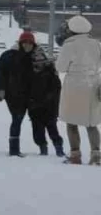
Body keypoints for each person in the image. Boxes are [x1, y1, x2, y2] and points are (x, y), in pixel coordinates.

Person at [0, 32, 63, 156]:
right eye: (25, 42)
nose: (27, 45)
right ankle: (14, 149)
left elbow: (50, 76)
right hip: (15, 95)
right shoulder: (9, 56)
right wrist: (1, 87)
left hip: (34, 98)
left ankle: (47, 149)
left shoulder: (38, 57)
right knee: (17, 119)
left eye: (30, 43)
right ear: (20, 43)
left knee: (42, 123)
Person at [56, 15, 101, 165]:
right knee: (91, 123)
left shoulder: (69, 45)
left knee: (72, 122)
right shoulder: (96, 44)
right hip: (92, 86)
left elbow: (60, 67)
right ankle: (96, 155)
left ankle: (75, 155)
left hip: (74, 88)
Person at [25, 35, 66, 157]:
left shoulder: (50, 71)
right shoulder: (29, 71)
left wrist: (50, 98)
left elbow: (57, 87)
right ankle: (42, 148)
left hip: (49, 105)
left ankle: (58, 147)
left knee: (52, 128)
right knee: (37, 130)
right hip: (34, 105)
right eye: (35, 59)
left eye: (40, 59)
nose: (38, 62)